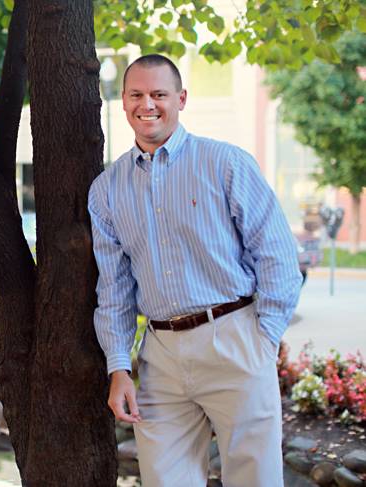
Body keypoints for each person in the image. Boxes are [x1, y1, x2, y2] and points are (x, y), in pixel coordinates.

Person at [88, 54, 301, 486]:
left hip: (235, 340)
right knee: (166, 479)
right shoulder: (107, 189)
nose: (147, 104)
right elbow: (114, 288)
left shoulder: (227, 164)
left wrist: (264, 341)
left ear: (181, 99)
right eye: (137, 95)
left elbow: (277, 257)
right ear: (124, 102)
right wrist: (118, 368)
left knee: (254, 477)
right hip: (161, 355)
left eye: (159, 94)